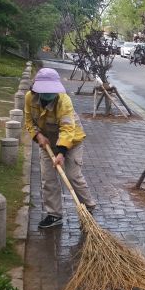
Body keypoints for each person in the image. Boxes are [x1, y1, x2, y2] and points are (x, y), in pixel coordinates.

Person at [24, 68, 96, 229]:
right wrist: (37, 136)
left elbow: (67, 129)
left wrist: (62, 152)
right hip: (47, 142)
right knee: (48, 179)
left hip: (72, 142)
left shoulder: (64, 101)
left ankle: (89, 208)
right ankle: (54, 214)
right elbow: (29, 121)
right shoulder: (30, 98)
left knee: (73, 176)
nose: (49, 93)